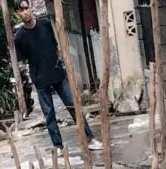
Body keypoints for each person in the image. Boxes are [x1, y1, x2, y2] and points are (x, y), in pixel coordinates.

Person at [12, 0, 102, 152]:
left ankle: (90, 139)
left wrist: (59, 62)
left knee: (73, 107)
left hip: (58, 74)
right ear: (17, 13)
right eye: (20, 10)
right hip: (40, 80)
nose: (25, 12)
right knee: (49, 115)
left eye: (26, 7)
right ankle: (58, 146)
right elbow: (24, 59)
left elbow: (55, 46)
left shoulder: (45, 24)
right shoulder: (19, 38)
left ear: (30, 7)